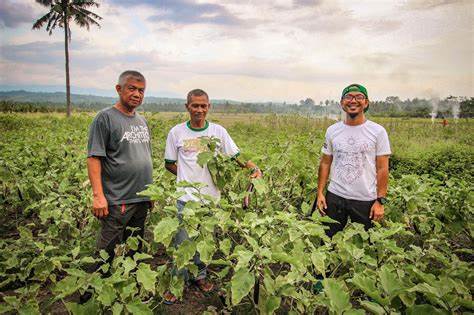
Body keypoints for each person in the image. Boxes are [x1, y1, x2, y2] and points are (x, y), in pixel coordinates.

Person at [163, 88, 262, 303]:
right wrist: (186, 177)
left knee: (206, 240)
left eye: (203, 105)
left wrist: (253, 167)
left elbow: (236, 155)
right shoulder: (176, 132)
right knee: (182, 242)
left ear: (209, 107)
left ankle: (199, 275)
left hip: (211, 198)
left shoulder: (218, 132)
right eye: (195, 105)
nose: (199, 109)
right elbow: (169, 164)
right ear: (187, 107)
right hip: (186, 198)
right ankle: (177, 283)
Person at [86, 70, 153, 269]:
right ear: (118, 89)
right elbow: (94, 158)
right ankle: (93, 292)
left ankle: (129, 289)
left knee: (135, 250)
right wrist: (98, 196)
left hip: (140, 199)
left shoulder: (141, 121)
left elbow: (144, 157)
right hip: (118, 200)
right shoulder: (105, 118)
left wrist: (150, 192)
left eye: (141, 90)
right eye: (132, 88)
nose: (137, 94)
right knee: (106, 252)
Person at [316, 84, 391, 237]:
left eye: (359, 97)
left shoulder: (378, 132)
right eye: (349, 97)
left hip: (365, 200)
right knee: (327, 241)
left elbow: (383, 168)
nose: (353, 101)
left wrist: (380, 201)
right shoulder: (332, 130)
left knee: (367, 245)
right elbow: (325, 162)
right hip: (335, 197)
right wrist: (320, 193)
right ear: (342, 103)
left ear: (366, 103)